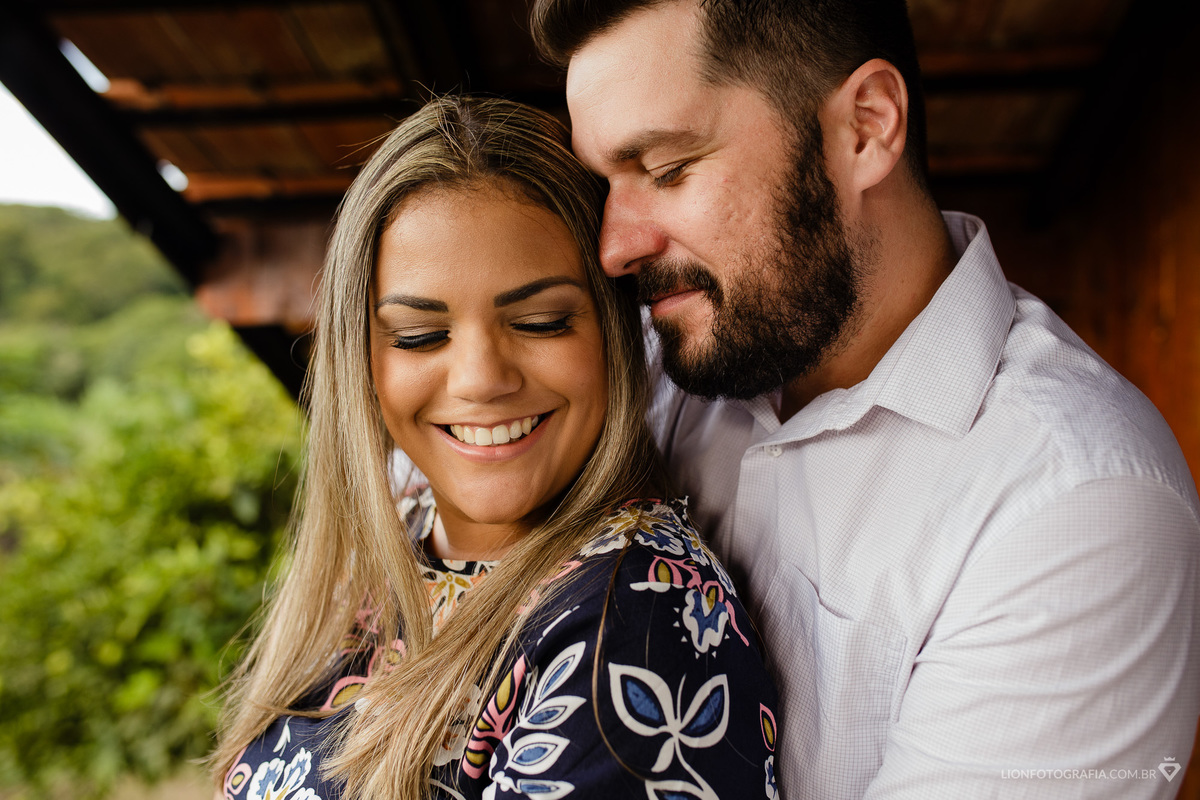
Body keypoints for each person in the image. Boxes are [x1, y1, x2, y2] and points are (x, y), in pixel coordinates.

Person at [530, 0, 1200, 797]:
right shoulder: (649, 361)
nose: (614, 246)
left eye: (669, 169)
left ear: (866, 127)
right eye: (606, 183)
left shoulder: (1075, 503)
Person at [208, 96, 779, 800]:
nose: (481, 380)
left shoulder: (637, 627)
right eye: (419, 335)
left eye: (540, 322)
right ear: (362, 359)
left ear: (614, 334)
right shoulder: (391, 546)